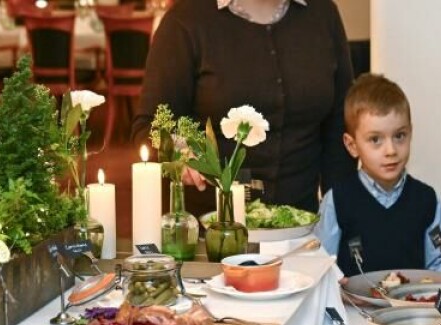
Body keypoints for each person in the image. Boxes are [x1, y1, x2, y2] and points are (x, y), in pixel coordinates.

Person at [131, 0, 354, 213]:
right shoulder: (185, 21)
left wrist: (341, 219)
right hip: (210, 231)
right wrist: (180, 151)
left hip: (302, 229)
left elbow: (339, 128)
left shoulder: (324, 14)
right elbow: (149, 127)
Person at [316, 73, 441, 276]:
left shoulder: (426, 200)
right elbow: (321, 264)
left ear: (411, 133)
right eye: (375, 139)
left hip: (413, 306)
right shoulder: (337, 201)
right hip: (353, 307)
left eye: (399, 136)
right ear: (352, 145)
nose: (391, 150)